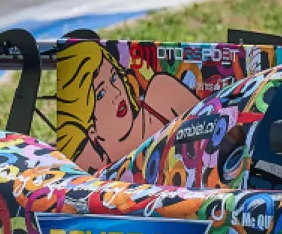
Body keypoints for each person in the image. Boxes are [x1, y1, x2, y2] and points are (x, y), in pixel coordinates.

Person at [54, 38, 200, 173]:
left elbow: (211, 132)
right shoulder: (91, 163)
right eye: (101, 94)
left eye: (114, 77)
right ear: (91, 130)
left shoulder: (162, 97)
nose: (117, 92)